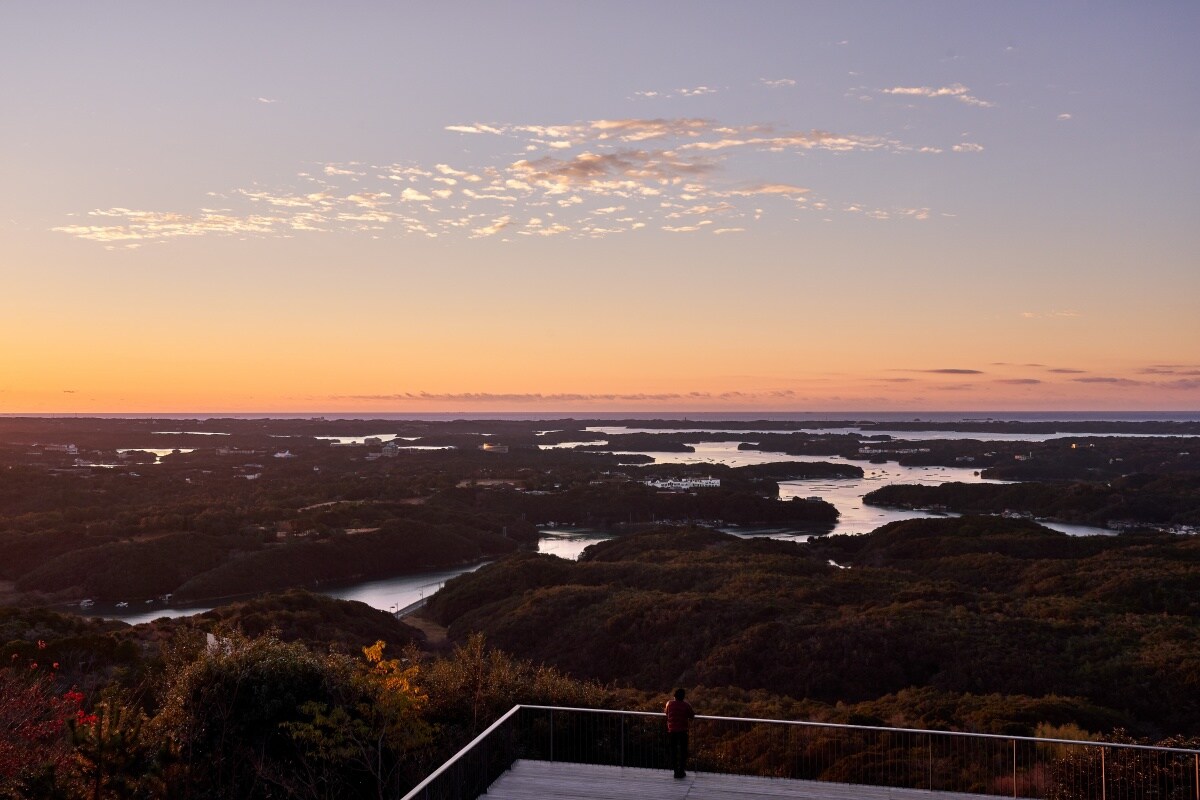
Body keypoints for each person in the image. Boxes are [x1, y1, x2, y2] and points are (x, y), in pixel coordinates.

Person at [664, 688, 696, 779]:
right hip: (682, 731)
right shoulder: (685, 705)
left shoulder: (669, 704)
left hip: (672, 731)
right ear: (683, 697)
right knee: (683, 752)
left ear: (674, 696)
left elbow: (667, 713)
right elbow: (692, 715)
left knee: (673, 751)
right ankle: (681, 771)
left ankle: (675, 771)